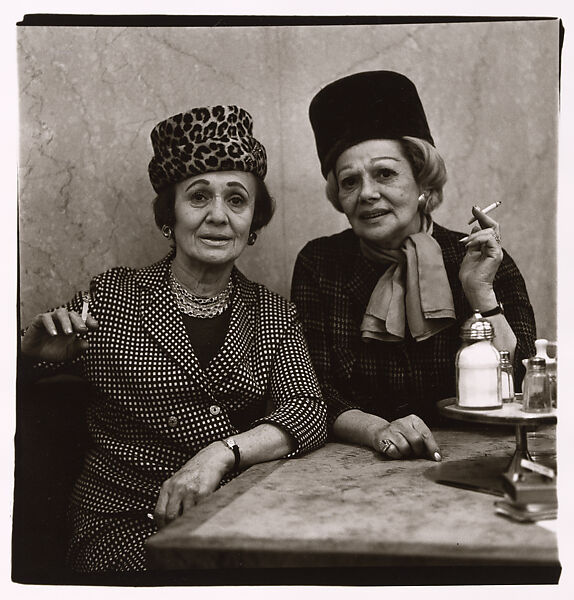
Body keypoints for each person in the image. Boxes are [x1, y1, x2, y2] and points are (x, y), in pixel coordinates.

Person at [20, 105, 327, 574]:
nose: (218, 216)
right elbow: (20, 371)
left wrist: (219, 456)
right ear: (170, 215)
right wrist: (28, 353)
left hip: (231, 519)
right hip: (121, 524)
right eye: (199, 197)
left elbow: (305, 411)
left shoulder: (273, 312)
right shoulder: (113, 296)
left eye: (237, 200)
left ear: (253, 223)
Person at [291, 71, 535, 462]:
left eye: (385, 174)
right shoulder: (320, 264)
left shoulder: (480, 259)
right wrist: (378, 430)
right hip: (358, 462)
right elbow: (312, 389)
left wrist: (480, 294)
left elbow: (524, 388)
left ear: (422, 181)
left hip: (475, 459)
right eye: (349, 181)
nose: (367, 193)